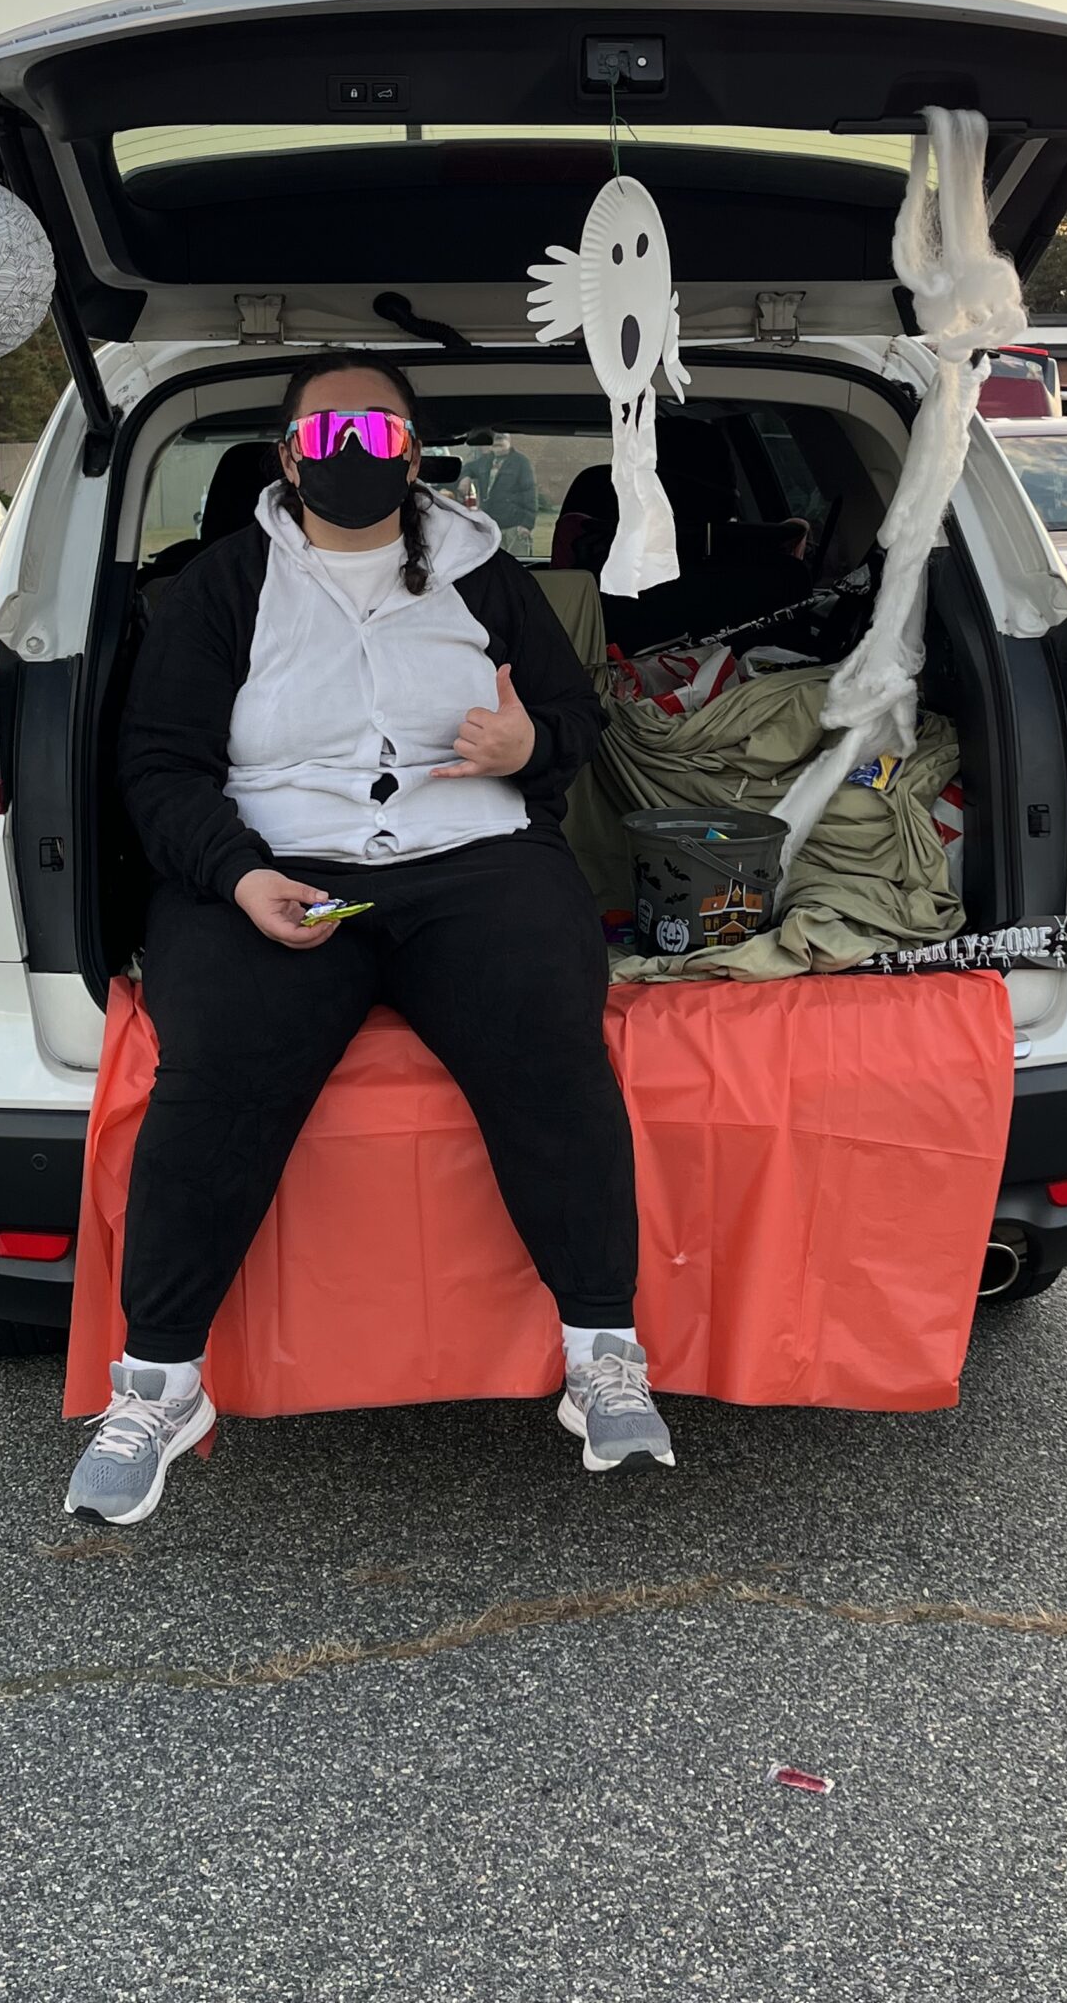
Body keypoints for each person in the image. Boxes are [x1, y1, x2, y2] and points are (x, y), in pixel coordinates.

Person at [67, 351, 673, 1524]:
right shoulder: (221, 586)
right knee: (219, 1062)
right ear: (289, 458)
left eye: (380, 435)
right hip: (279, 861)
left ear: (415, 454)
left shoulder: (483, 575)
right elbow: (160, 767)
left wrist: (527, 748)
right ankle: (158, 1383)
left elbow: (571, 716)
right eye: (328, 435)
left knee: (550, 1038)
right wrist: (239, 875)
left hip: (468, 856)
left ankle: (603, 1351)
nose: (354, 453)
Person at [461, 429, 539, 557]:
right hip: (491, 527)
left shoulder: (521, 462)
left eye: (501, 439)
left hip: (514, 527)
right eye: (494, 440)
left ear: (509, 440)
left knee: (518, 563)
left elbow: (529, 493)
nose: (497, 443)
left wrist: (527, 524)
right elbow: (467, 467)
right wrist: (466, 477)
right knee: (493, 564)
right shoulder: (484, 461)